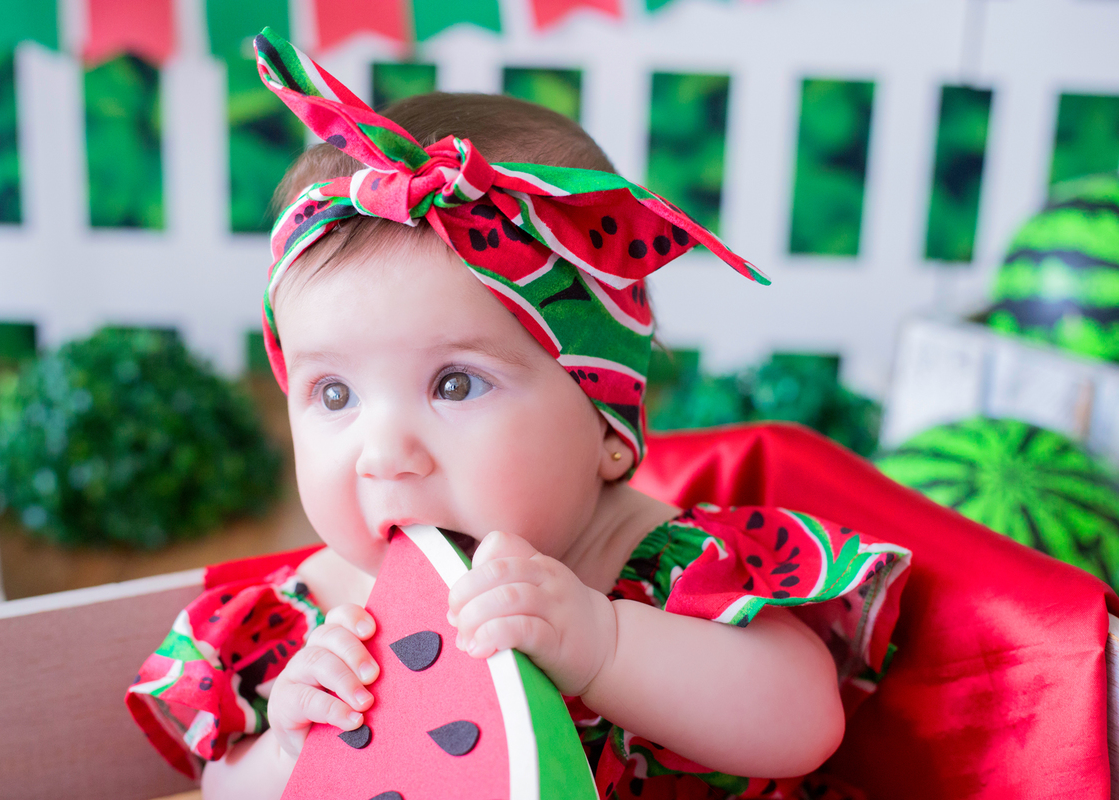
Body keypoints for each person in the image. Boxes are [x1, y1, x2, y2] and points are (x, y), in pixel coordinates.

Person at [127, 28, 911, 800]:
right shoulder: (311, 613)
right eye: (334, 395)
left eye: (456, 384)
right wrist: (287, 753)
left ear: (606, 427)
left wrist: (604, 647)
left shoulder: (658, 569)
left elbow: (804, 723)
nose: (385, 452)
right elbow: (216, 786)